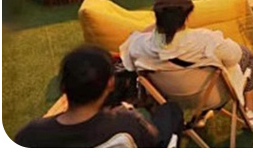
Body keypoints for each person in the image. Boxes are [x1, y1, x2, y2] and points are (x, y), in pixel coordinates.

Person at [120, 0, 253, 126]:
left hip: (169, 98)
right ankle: (250, 110)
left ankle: (201, 115)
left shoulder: (140, 45)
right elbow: (235, 56)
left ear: (156, 14)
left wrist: (161, 26)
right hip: (213, 97)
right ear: (189, 12)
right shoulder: (205, 40)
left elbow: (127, 58)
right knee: (246, 54)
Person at [15, 45, 181, 147]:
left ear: (62, 87)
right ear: (110, 83)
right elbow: (153, 141)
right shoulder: (127, 121)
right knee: (170, 111)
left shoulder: (31, 136)